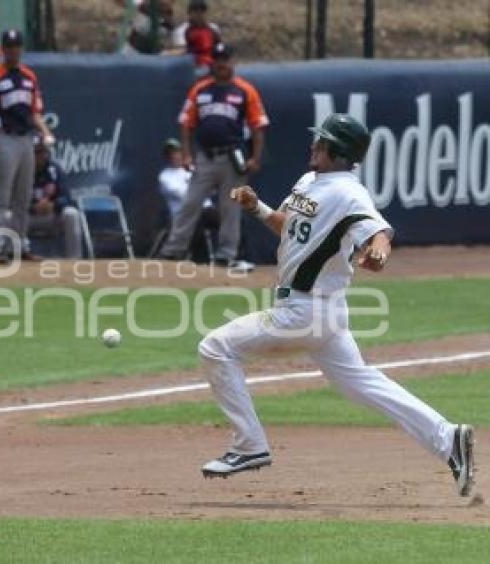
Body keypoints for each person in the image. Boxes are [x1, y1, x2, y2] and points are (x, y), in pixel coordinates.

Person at [197, 113, 475, 500]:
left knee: (215, 347)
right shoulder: (310, 181)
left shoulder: (349, 193)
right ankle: (449, 439)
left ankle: (249, 446)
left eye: (321, 142)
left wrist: (378, 251)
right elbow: (289, 227)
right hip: (325, 315)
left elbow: (378, 232)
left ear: (337, 151)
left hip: (303, 312)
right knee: (363, 383)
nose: (314, 146)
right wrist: (257, 206)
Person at [160, 42, 267, 271]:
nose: (221, 63)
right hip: (205, 157)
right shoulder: (201, 89)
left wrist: (255, 158)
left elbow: (258, 126)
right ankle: (174, 249)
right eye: (218, 59)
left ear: (232, 62)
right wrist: (187, 154)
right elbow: (186, 124)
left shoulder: (244, 90)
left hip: (232, 158)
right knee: (190, 202)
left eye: (225, 59)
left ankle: (225, 254)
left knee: (230, 208)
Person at [0, 29, 54, 264]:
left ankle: (19, 245)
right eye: (9, 46)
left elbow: (35, 112)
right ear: (2, 49)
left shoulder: (29, 76)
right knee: (1, 194)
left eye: (17, 46)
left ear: (21, 48)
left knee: (23, 195)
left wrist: (46, 132)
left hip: (26, 138)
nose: (13, 50)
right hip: (3, 137)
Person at [27, 136, 82, 258]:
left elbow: (67, 198)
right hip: (29, 217)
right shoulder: (22, 171)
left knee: (71, 214)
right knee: (8, 216)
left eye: (40, 151)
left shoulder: (55, 170)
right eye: (34, 152)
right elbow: (13, 201)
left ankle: (75, 259)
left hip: (52, 216)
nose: (37, 156)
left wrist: (54, 205)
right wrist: (33, 207)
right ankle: (13, 255)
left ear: (46, 152)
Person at [169, 0, 222, 76]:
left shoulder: (213, 28)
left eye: (202, 11)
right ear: (189, 13)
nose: (199, 14)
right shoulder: (182, 30)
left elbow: (219, 47)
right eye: (196, 11)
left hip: (212, 64)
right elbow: (181, 52)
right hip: (192, 66)